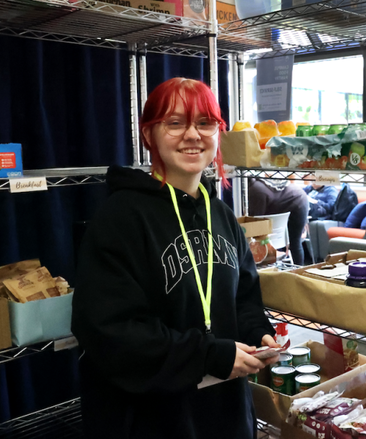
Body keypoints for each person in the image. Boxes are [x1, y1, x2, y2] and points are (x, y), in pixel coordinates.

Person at [72, 78, 280, 439]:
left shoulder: (222, 215)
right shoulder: (119, 218)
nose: (192, 135)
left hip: (226, 413)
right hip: (151, 420)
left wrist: (258, 333)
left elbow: (244, 297)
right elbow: (112, 332)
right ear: (149, 135)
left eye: (204, 123)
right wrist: (207, 355)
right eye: (175, 123)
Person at [247, 178, 309, 265]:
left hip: (299, 201)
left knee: (295, 242)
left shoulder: (256, 191)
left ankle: (299, 272)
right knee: (295, 243)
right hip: (299, 198)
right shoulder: (258, 187)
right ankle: (298, 271)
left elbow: (255, 223)